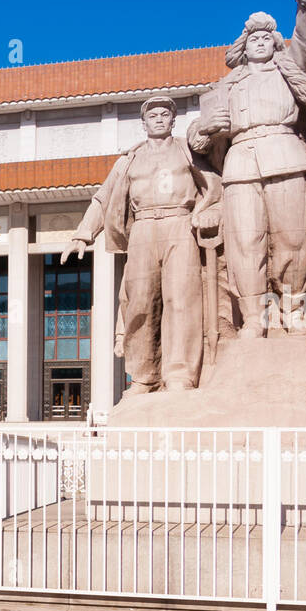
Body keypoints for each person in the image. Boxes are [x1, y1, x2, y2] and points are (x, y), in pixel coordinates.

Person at [186, 0, 306, 338]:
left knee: (292, 239)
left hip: (286, 158)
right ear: (242, 47)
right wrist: (206, 130)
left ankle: (294, 310)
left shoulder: (291, 71)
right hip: (240, 165)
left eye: (266, 37)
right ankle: (253, 316)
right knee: (245, 243)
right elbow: (194, 139)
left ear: (276, 44)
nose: (260, 41)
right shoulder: (223, 88)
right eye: (252, 37)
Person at [62, 95, 220, 394]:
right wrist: (83, 233)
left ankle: (179, 374)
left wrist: (210, 211)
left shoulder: (188, 152)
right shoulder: (129, 159)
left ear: (173, 121)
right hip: (143, 228)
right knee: (139, 302)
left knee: (181, 299)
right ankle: (143, 376)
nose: (159, 119)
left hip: (180, 223)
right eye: (153, 115)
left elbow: (215, 185)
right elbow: (103, 197)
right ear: (143, 122)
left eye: (165, 114)